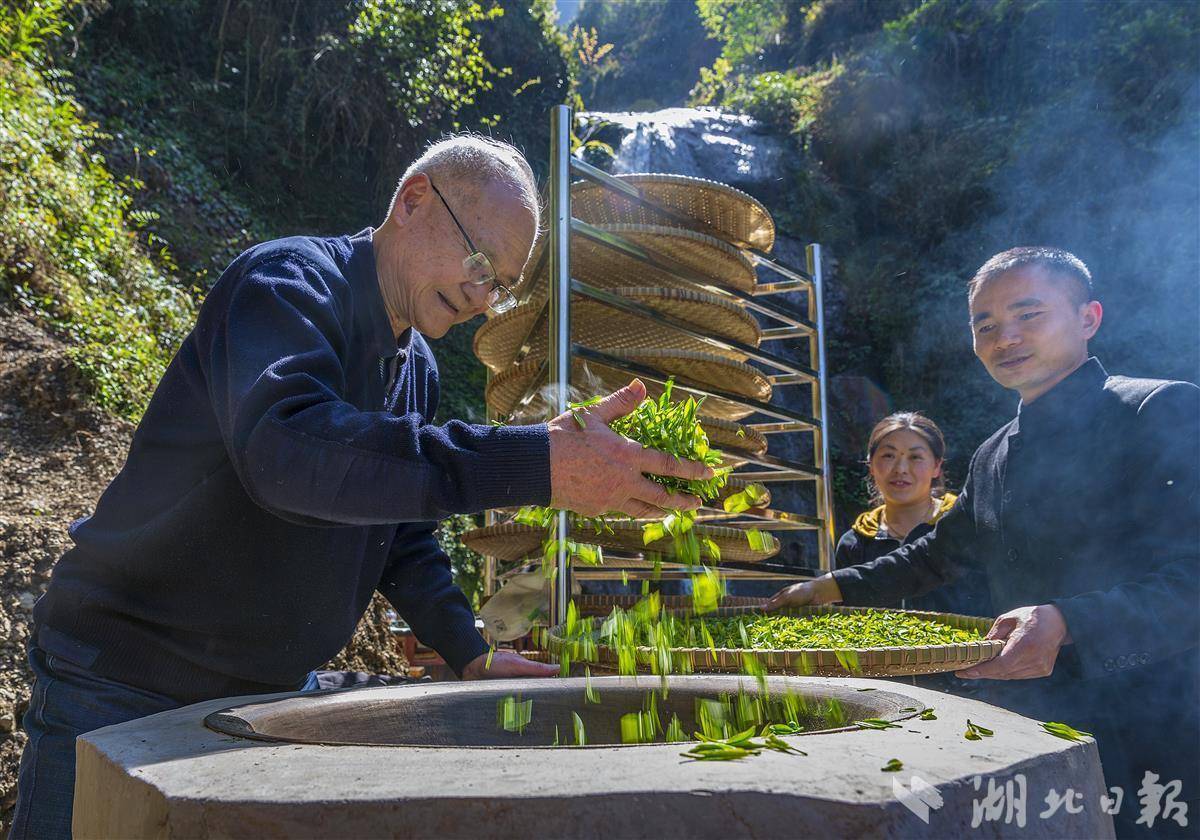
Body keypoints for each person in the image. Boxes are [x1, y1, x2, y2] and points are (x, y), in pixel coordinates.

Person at [10, 135, 715, 839]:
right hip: (118, 684)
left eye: (499, 284)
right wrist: (538, 464)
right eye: (479, 261)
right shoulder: (284, 288)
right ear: (413, 201)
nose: (482, 298)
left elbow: (399, 533)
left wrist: (464, 645)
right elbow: (288, 456)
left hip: (261, 698)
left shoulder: (419, 371)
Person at [768, 247, 1198, 838]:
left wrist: (1069, 622)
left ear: (1088, 318)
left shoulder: (1158, 408)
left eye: (1028, 314)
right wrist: (834, 585)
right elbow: (941, 552)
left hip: (1151, 723)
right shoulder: (995, 451)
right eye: (985, 325)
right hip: (1032, 726)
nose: (1005, 337)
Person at [835, 411, 989, 619]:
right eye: (888, 456)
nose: (901, 469)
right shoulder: (856, 543)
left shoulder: (963, 526)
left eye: (915, 457)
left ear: (937, 466)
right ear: (870, 465)